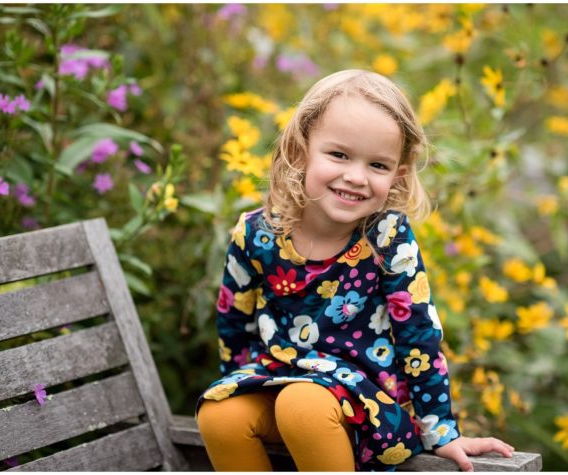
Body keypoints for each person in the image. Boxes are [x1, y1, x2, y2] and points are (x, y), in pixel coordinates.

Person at [196, 70, 514, 472]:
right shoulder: (255, 235)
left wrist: (441, 430)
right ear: (300, 151)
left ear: (397, 174)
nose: (356, 177)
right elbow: (233, 322)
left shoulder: (386, 237)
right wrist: (241, 385)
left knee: (303, 407)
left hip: (366, 403)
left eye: (377, 165)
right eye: (339, 155)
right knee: (219, 415)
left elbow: (418, 334)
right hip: (279, 380)